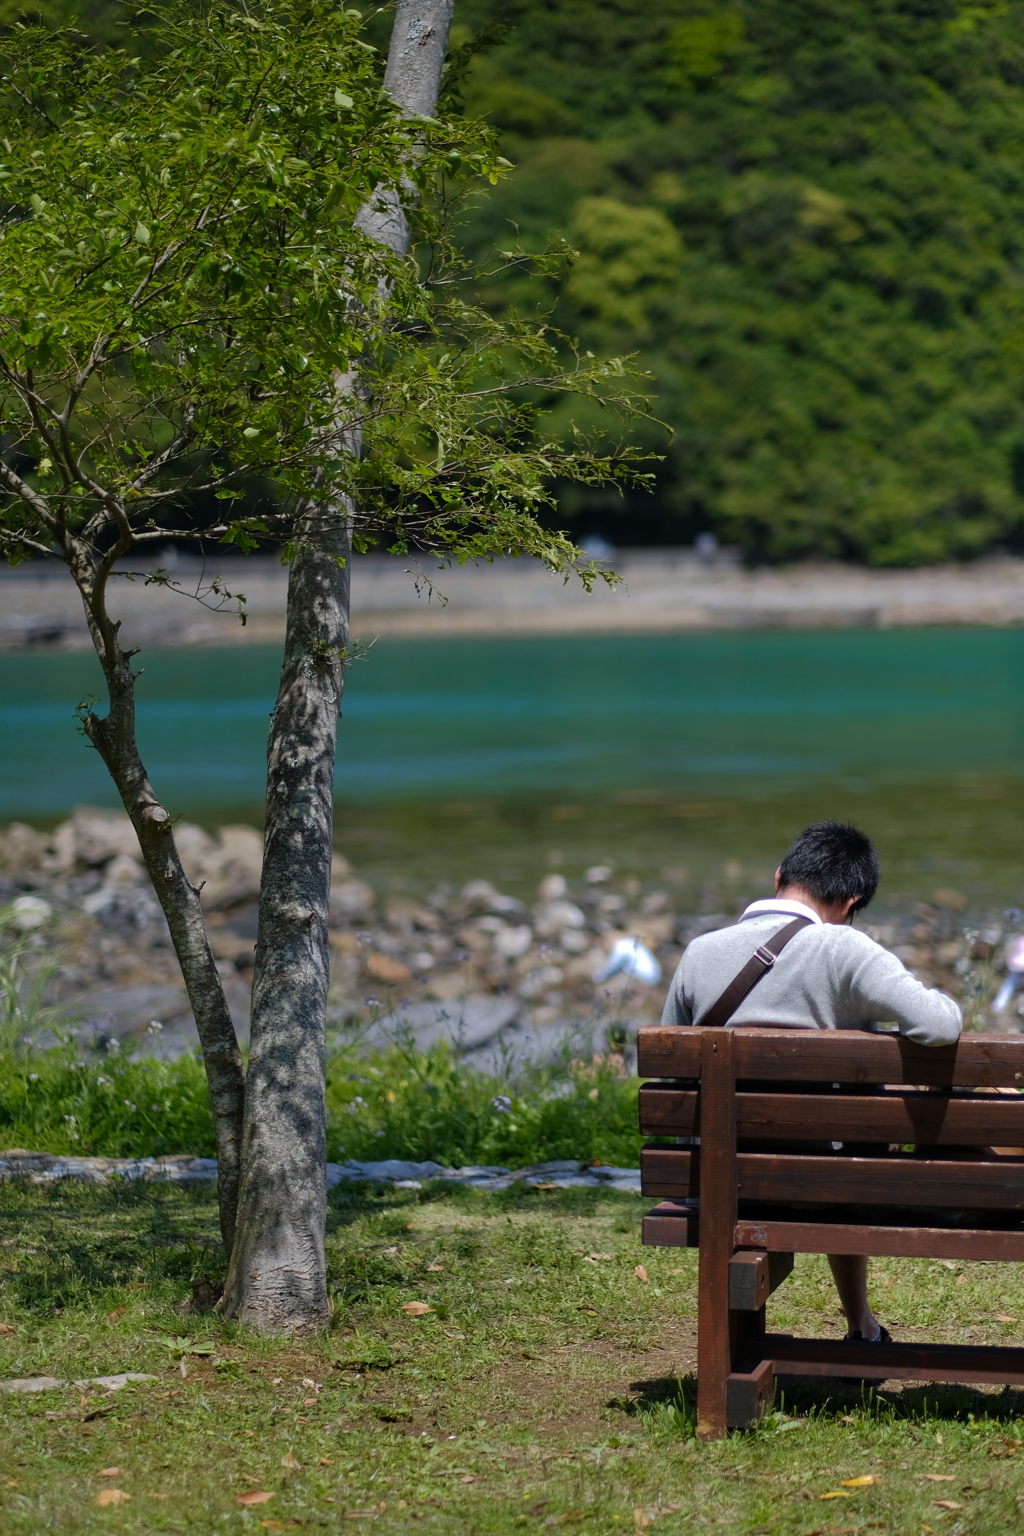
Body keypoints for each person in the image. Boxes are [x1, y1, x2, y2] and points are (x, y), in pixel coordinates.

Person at [661, 820, 962, 1345]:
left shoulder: (700, 953)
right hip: (829, 1180)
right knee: (845, 1153)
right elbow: (940, 1025)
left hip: (725, 1181)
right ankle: (860, 1327)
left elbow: (669, 1074)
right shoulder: (845, 951)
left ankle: (848, 1322)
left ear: (779, 876)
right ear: (850, 901)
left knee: (832, 1151)